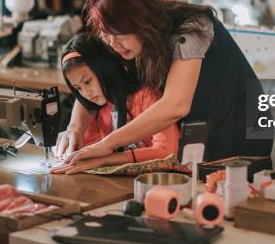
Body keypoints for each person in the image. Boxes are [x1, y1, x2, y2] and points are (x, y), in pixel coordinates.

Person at [57, 0, 271, 172]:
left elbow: (175, 105)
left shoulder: (192, 28)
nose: (113, 44)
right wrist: (75, 127)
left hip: (242, 132)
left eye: (118, 35)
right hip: (200, 137)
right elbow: (96, 73)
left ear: (141, 19)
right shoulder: (126, 40)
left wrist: (108, 144)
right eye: (106, 35)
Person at [51, 33, 179, 174]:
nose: (86, 93)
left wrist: (104, 160)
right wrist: (67, 153)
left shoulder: (146, 97)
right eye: (78, 88)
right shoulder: (97, 108)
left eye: (87, 81)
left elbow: (166, 152)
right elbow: (87, 152)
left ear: (106, 69)